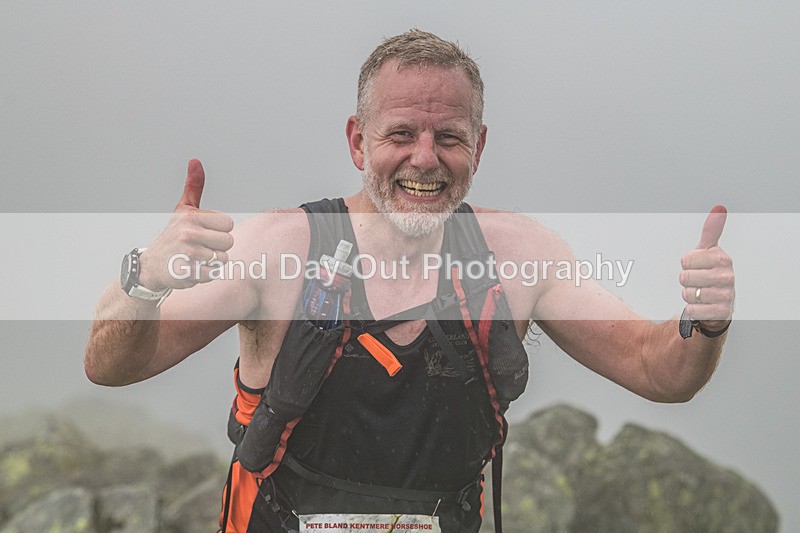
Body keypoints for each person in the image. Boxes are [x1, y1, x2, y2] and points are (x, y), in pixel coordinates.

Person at [84, 29, 734, 533]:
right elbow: (110, 365)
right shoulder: (280, 249)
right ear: (357, 141)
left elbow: (661, 372)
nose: (425, 157)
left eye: (448, 136)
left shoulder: (518, 255)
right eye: (401, 133)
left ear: (478, 146)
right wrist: (144, 278)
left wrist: (704, 322)